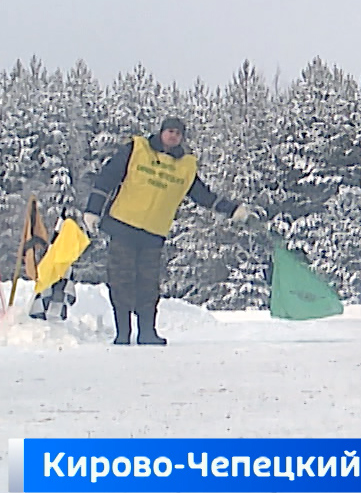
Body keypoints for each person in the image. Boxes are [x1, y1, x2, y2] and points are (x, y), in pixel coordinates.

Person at [82, 117, 254, 345]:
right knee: (121, 281)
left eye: (178, 133)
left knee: (148, 285)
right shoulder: (136, 149)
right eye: (170, 131)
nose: (173, 136)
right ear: (161, 132)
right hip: (123, 226)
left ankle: (147, 333)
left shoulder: (185, 167)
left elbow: (202, 195)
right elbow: (107, 178)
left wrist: (232, 210)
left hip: (153, 234)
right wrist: (93, 209)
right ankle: (122, 333)